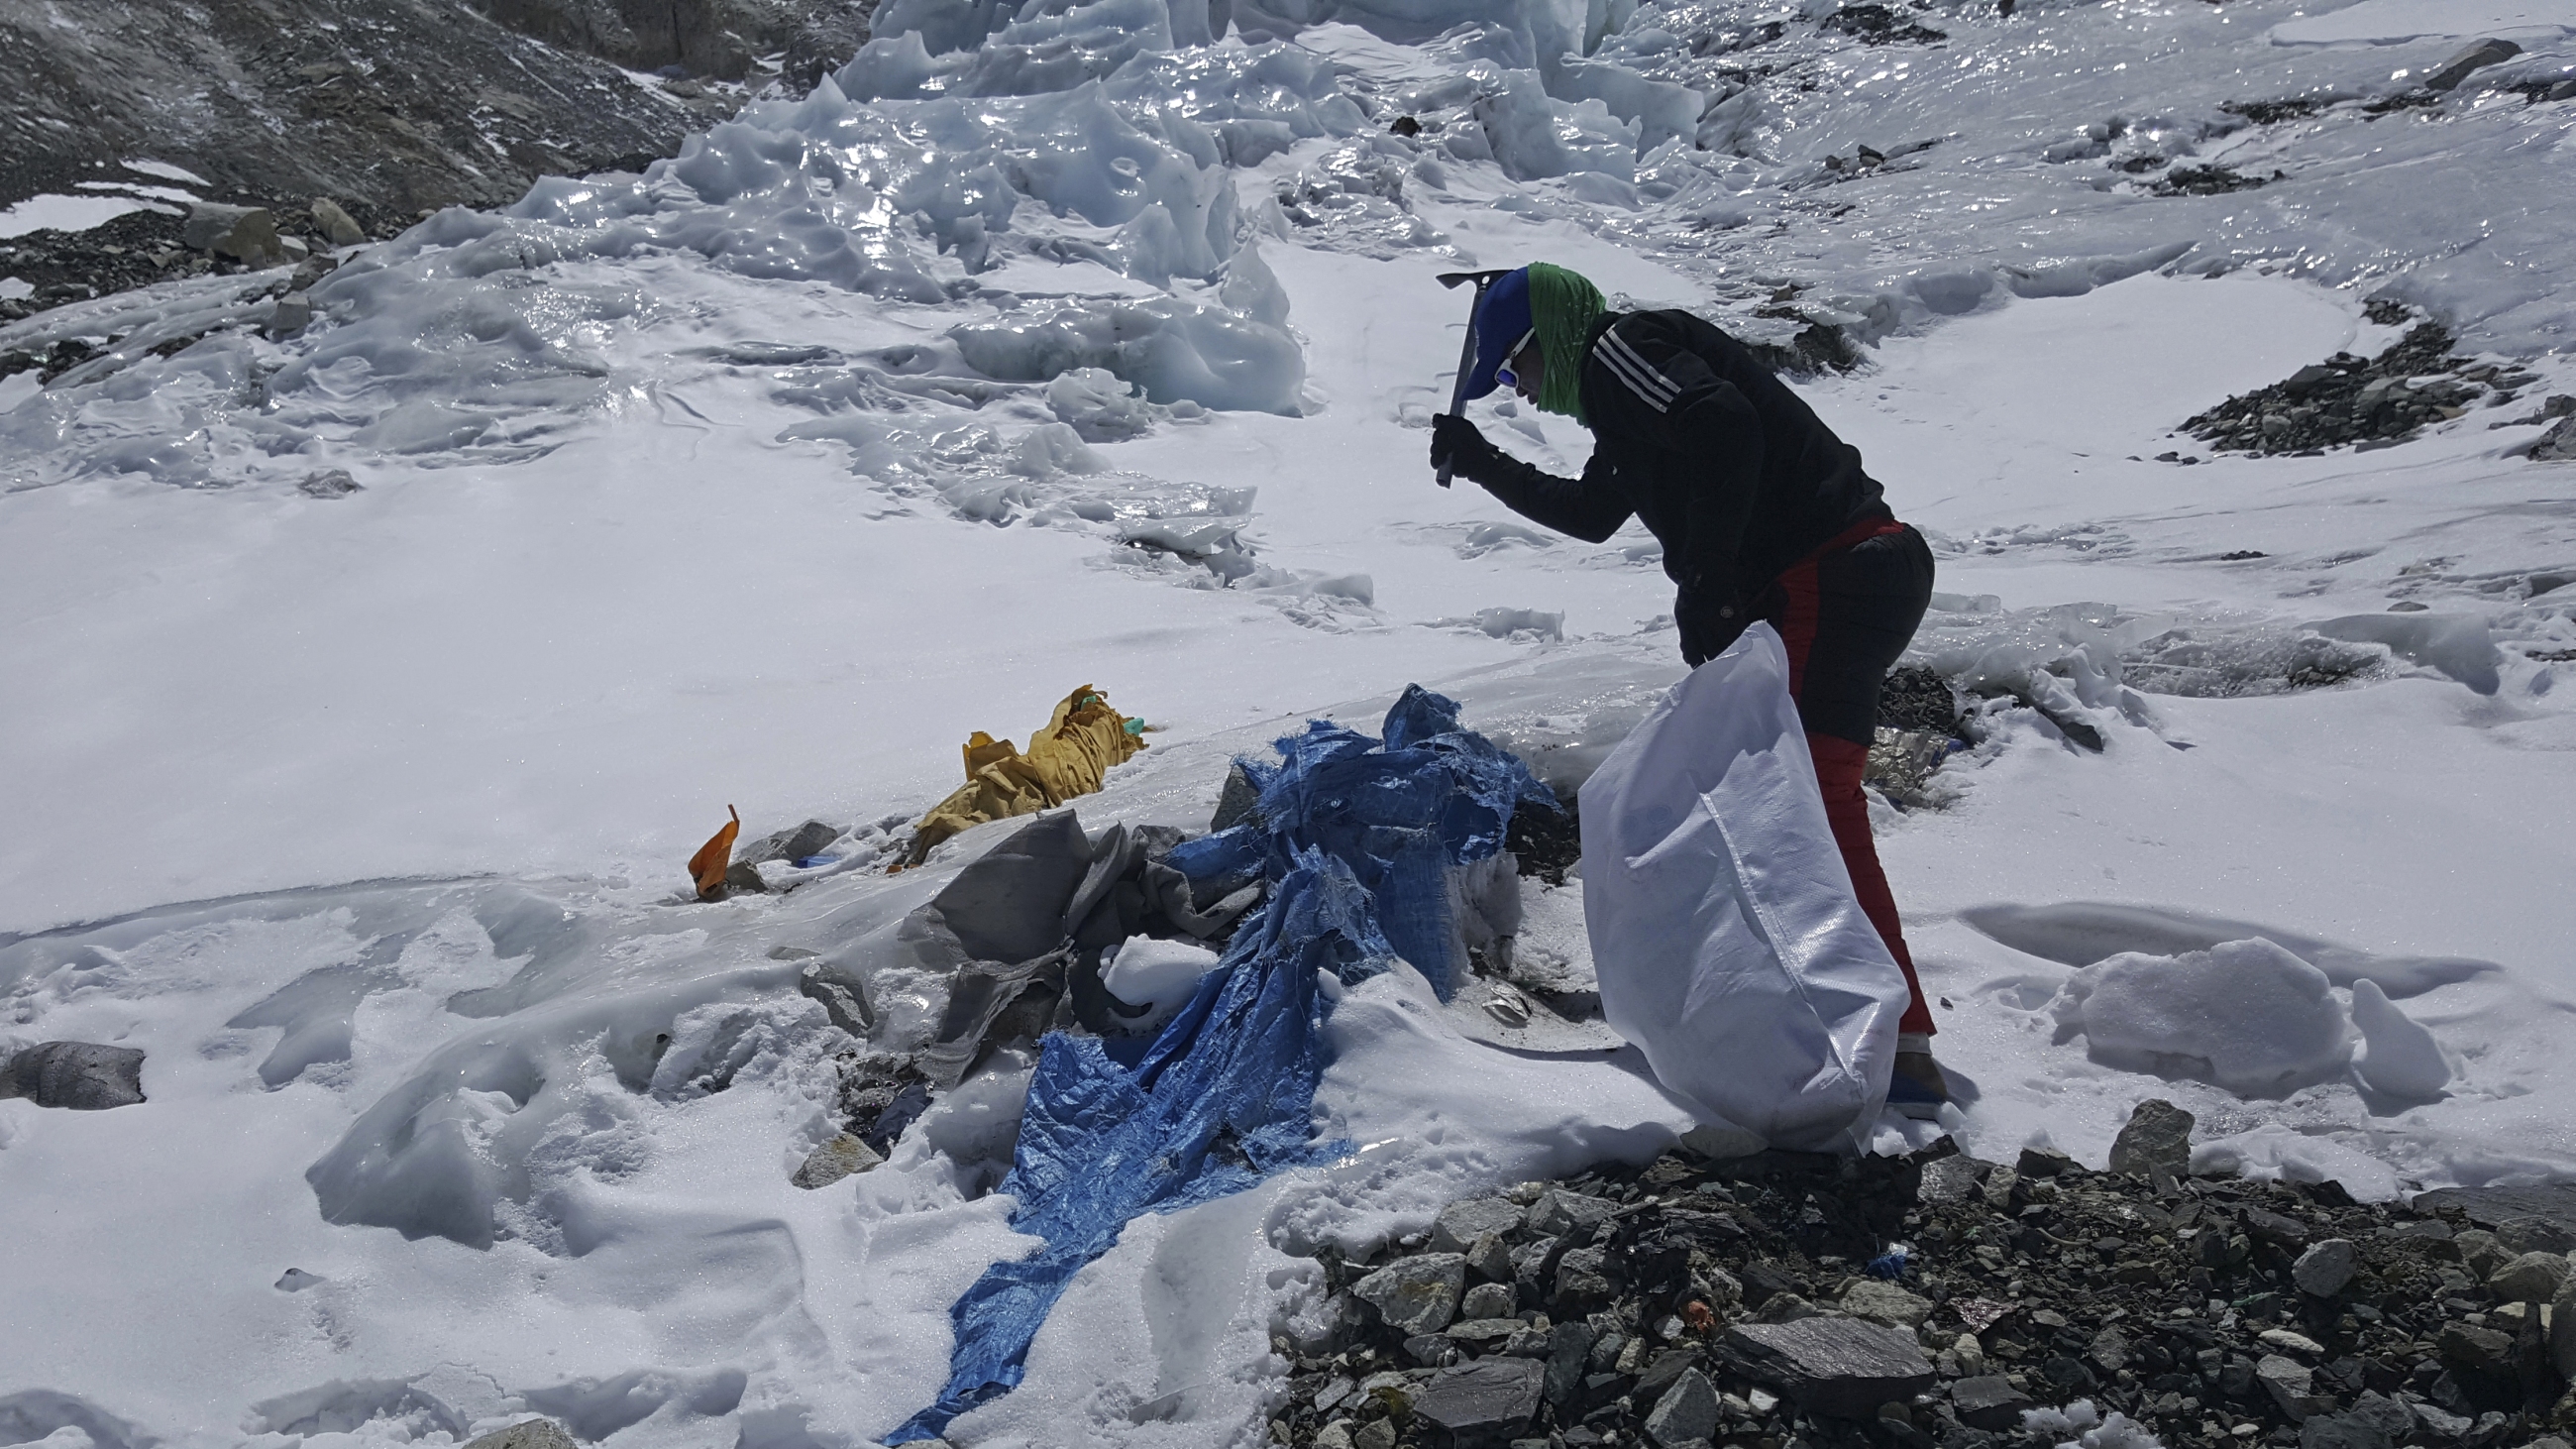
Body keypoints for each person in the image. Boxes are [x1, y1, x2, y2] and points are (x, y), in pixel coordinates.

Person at [1427, 263, 1950, 1114]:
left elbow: (1724, 422)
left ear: (1544, 340)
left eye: (1513, 369)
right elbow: (1595, 514)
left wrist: (1706, 576)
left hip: (1832, 569)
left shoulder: (1619, 349)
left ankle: (1898, 1042)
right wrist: (1482, 461)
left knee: (1815, 800)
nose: (1517, 391)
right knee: (1789, 800)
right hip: (1846, 572)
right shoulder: (1624, 404)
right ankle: (1852, 1024)